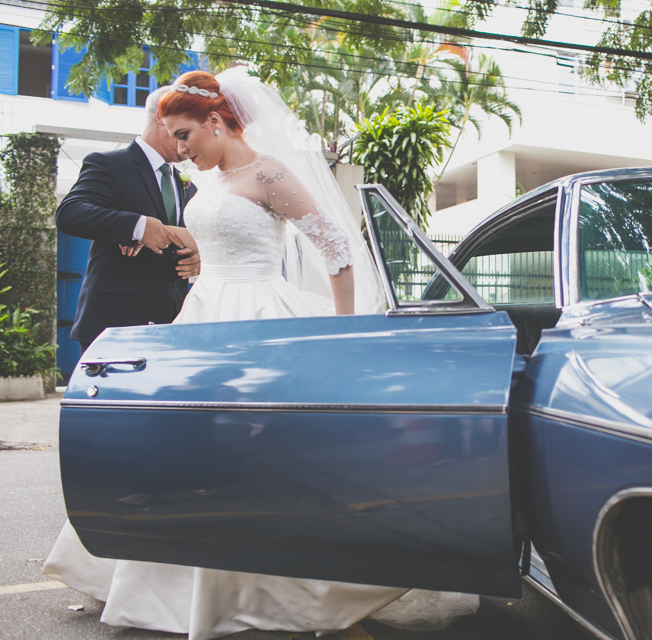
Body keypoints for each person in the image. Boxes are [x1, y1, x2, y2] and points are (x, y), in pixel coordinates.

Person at [43, 69, 477, 640]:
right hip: (201, 314)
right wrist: (192, 260)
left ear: (217, 122)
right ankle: (171, 584)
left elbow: (337, 248)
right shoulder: (208, 184)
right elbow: (213, 243)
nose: (177, 146)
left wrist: (342, 333)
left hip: (257, 318)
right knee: (181, 453)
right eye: (172, 135)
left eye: (183, 133)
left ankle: (285, 586)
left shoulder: (269, 172)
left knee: (260, 459)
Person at [55, 86, 200, 353]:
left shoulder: (189, 187)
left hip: (175, 324)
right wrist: (137, 227)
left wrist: (197, 258)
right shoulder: (109, 164)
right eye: (189, 127)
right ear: (162, 116)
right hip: (116, 324)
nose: (194, 138)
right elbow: (70, 213)